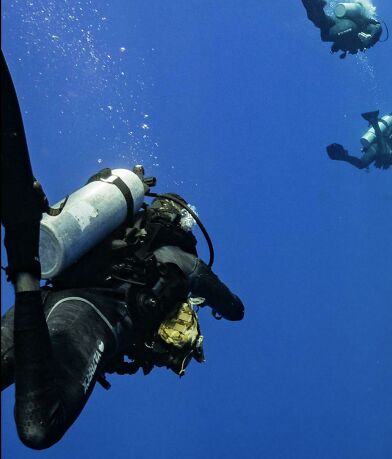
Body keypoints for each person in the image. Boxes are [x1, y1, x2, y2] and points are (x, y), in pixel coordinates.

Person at [1, 50, 245, 450]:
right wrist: (229, 305)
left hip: (55, 290)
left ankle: (28, 263)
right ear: (183, 224)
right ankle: (23, 268)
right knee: (41, 425)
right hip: (88, 314)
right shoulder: (185, 263)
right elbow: (234, 307)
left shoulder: (123, 232)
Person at [326, 110, 392, 171]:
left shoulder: (390, 131)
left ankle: (342, 156)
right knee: (384, 152)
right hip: (382, 149)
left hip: (374, 147)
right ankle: (374, 121)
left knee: (361, 165)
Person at [302, 0, 383, 58]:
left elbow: (339, 43)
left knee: (320, 22)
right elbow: (378, 28)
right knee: (325, 30)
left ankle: (313, 3)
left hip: (340, 22)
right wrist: (369, 37)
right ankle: (316, 4)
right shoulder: (369, 29)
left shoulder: (350, 45)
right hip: (349, 27)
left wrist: (334, 49)